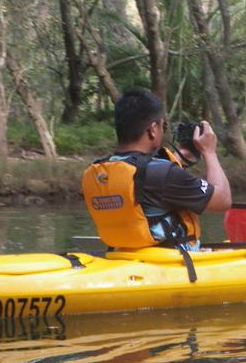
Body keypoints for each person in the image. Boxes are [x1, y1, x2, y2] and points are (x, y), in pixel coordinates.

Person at [82, 89, 232, 250]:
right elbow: (222, 200)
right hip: (168, 262)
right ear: (153, 129)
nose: (162, 131)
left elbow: (147, 184)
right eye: (163, 126)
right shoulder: (163, 175)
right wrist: (209, 151)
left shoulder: (99, 171)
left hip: (122, 255)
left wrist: (179, 157)